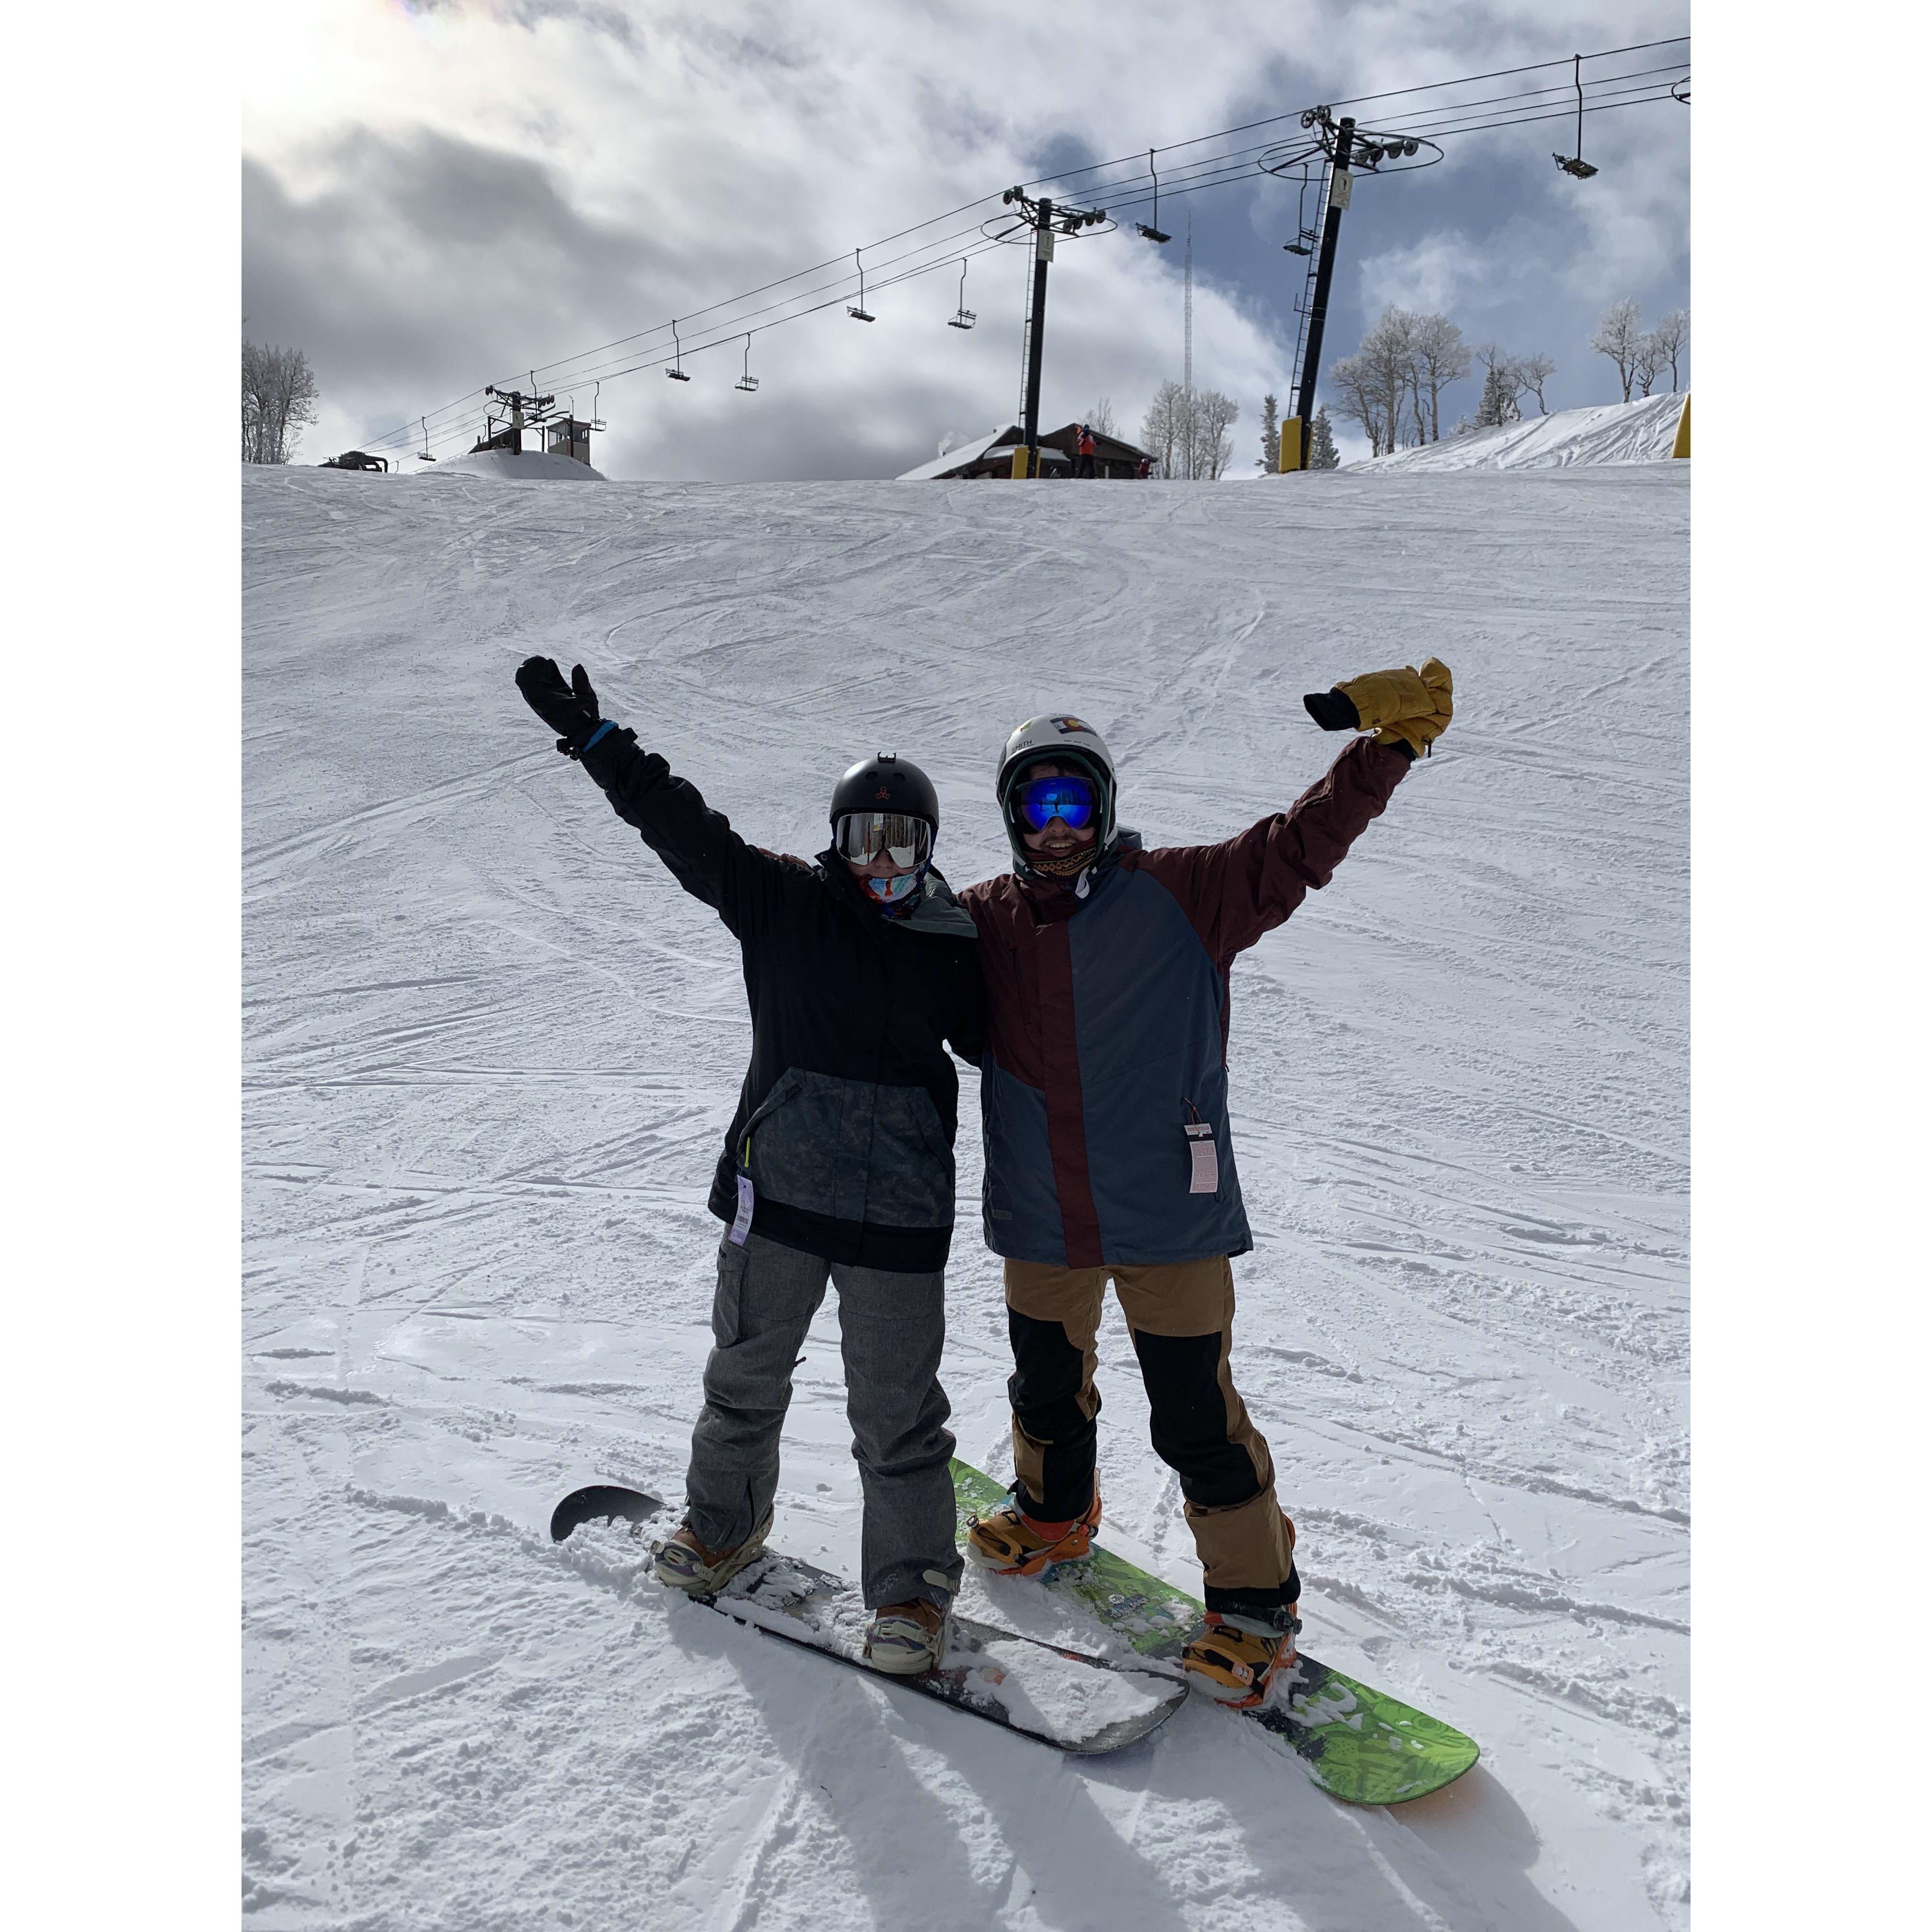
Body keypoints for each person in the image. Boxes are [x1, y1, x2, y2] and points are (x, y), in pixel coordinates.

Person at [956, 664, 1453, 1704]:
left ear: (1103, 808)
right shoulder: (983, 920)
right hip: (1042, 1214)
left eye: (1074, 801)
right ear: (1012, 816)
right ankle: (1053, 1516)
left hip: (1169, 1216)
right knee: (1043, 1385)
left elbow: (1297, 846)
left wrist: (1386, 750)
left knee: (1194, 1413)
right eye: (1038, 804)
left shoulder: (1183, 896)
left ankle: (1256, 1607)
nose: (1057, 825)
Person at [514, 656, 984, 1675]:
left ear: (932, 846)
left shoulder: (959, 944)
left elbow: (1022, 1042)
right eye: (867, 836)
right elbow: (684, 828)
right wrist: (601, 742)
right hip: (776, 1206)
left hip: (899, 1224)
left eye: (905, 838)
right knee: (743, 1384)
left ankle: (909, 1596)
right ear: (838, 838)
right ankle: (722, 1529)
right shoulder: (782, 902)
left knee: (898, 1418)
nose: (884, 857)